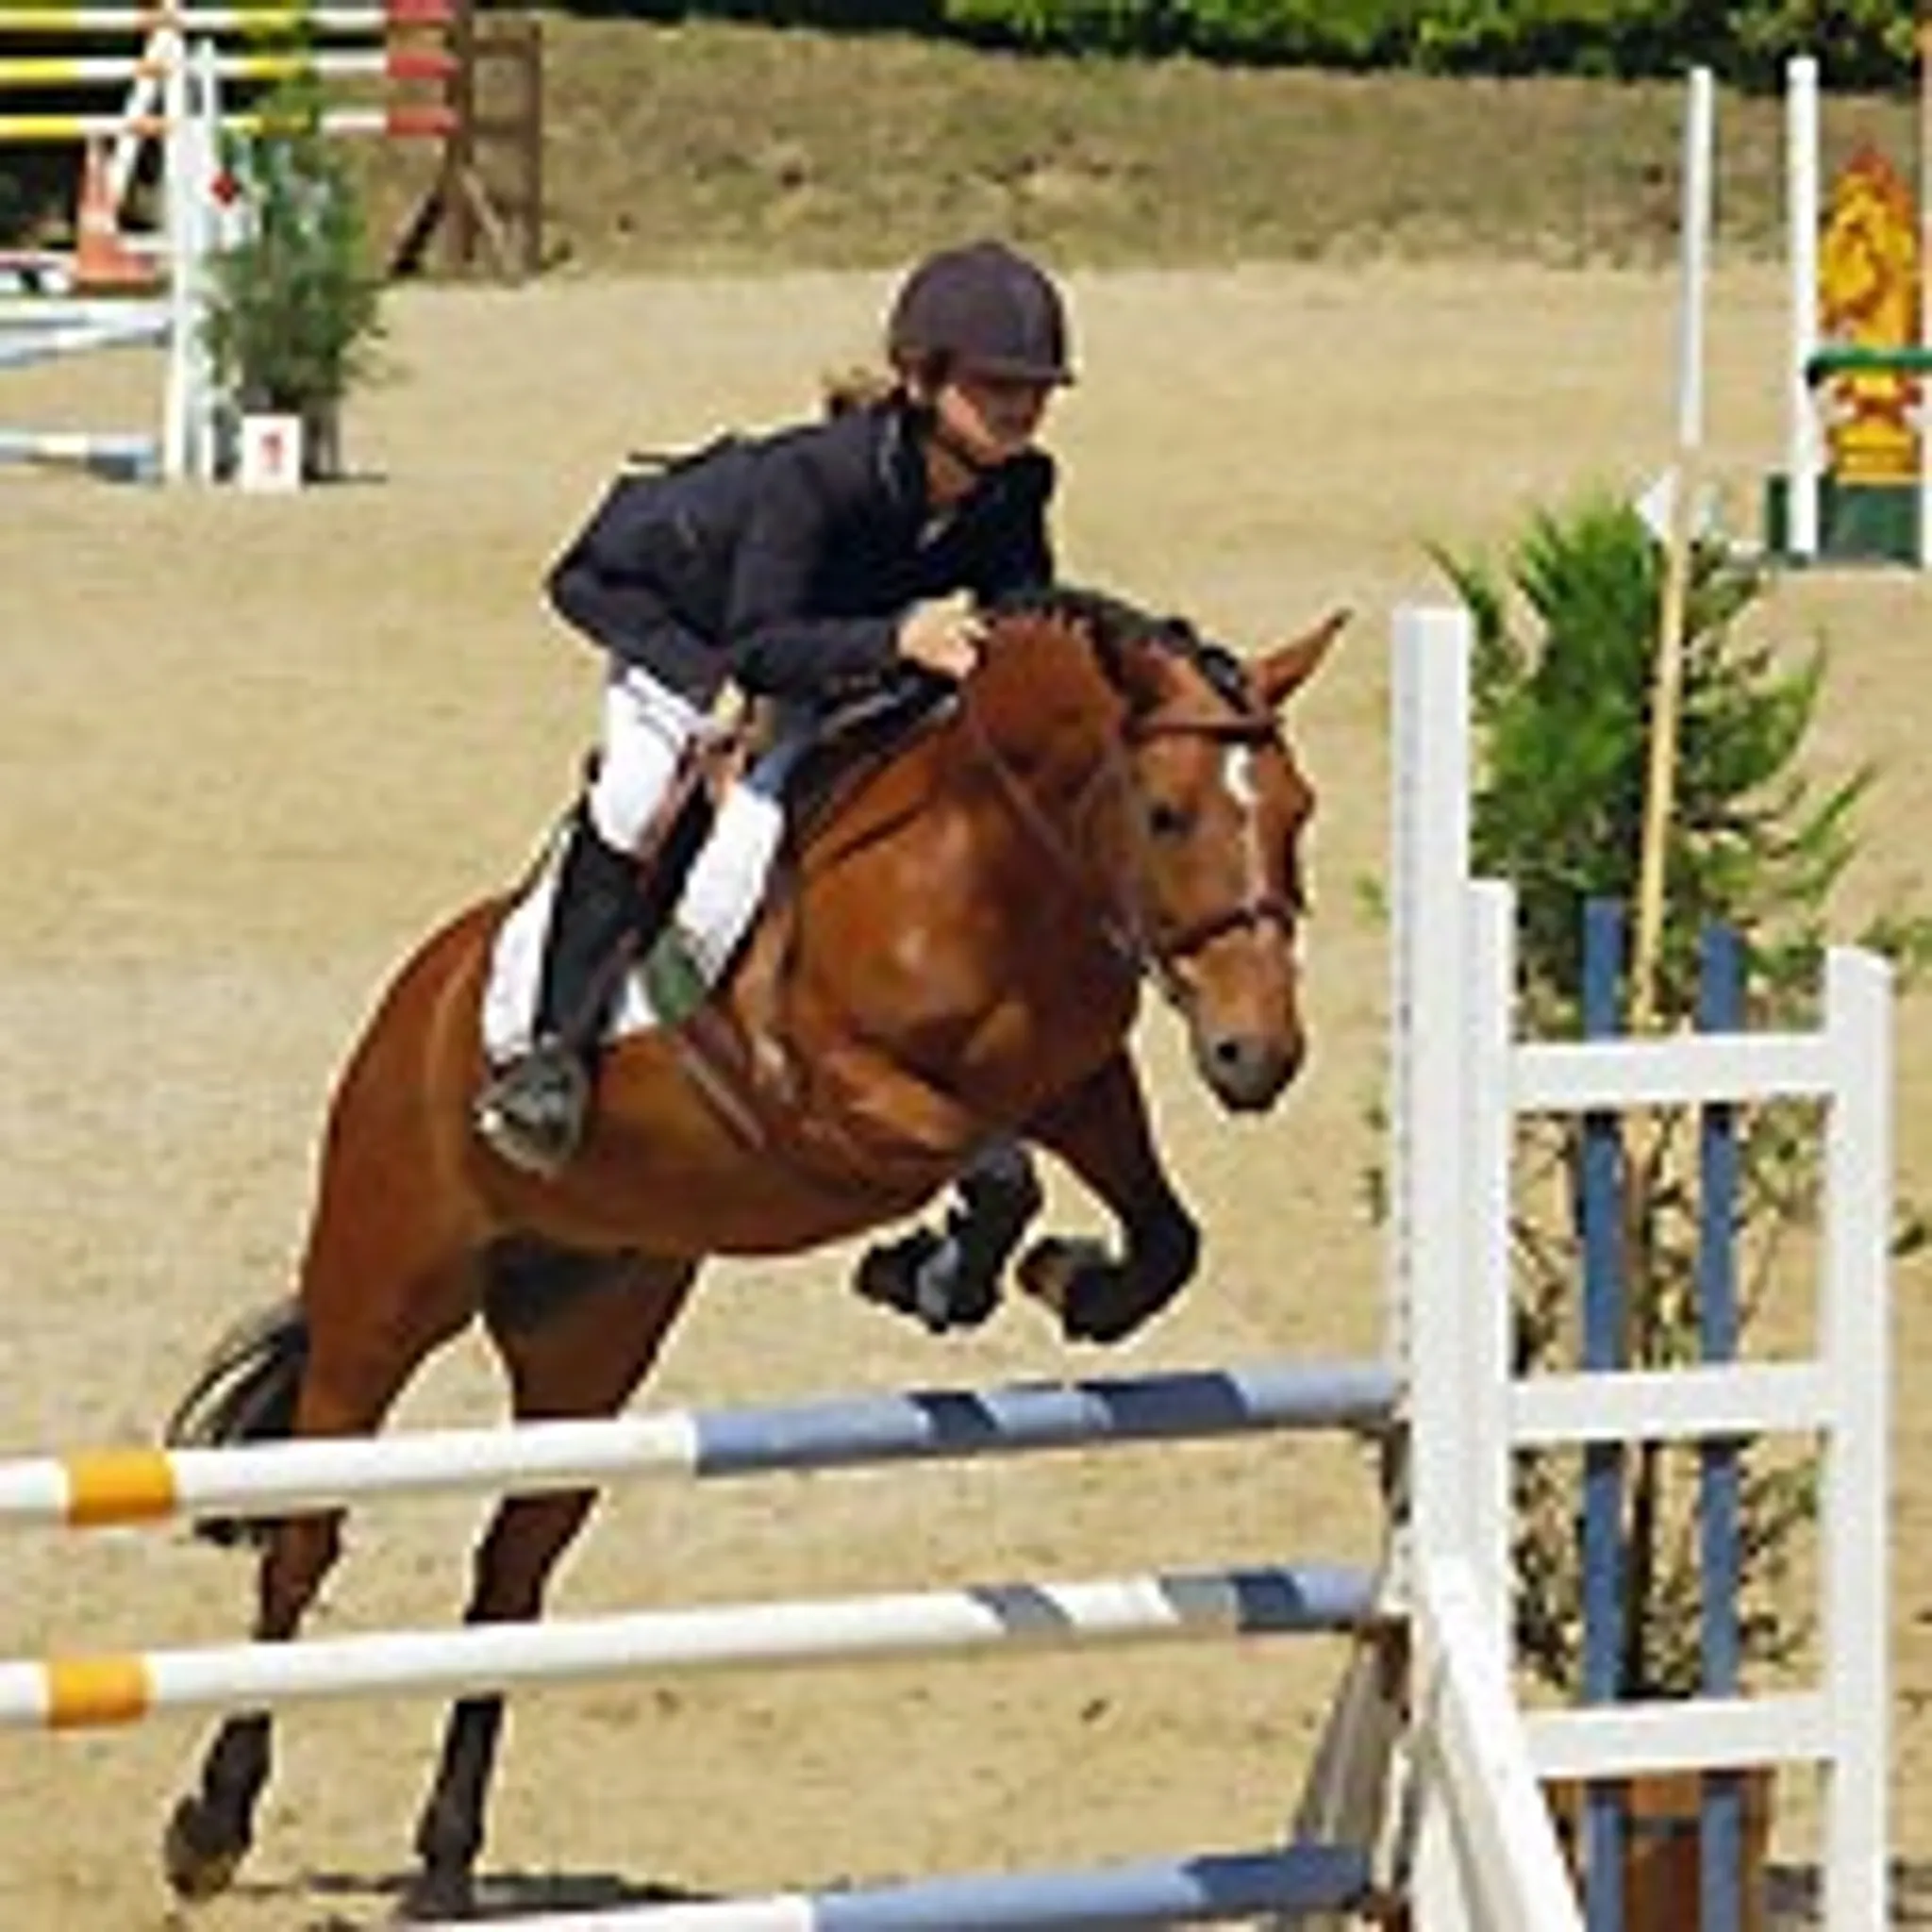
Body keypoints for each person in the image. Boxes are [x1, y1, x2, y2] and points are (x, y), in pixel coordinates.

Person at [473, 239, 1074, 1207]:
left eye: (1036, 387)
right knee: (634, 794)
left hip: (826, 646)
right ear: (921, 379)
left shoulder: (1017, 487)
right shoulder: (816, 479)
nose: (1020, 405)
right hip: (689, 619)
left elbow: (1023, 619)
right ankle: (547, 1055)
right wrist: (896, 637)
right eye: (995, 383)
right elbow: (756, 649)